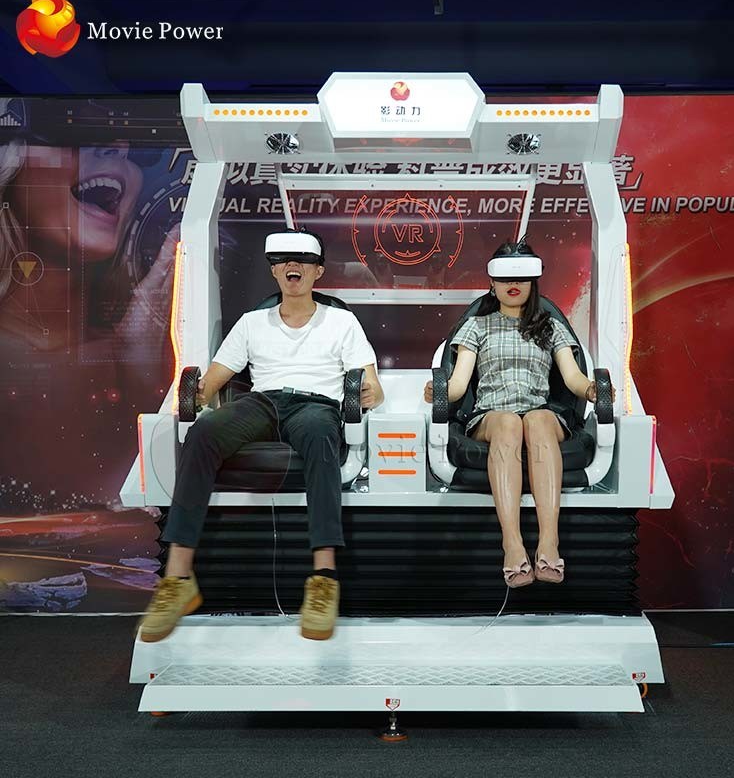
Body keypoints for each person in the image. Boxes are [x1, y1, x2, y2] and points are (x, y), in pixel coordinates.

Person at [139, 228, 384, 642]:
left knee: (322, 437)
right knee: (203, 432)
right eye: (284, 260)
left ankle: (324, 578)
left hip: (317, 405)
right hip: (263, 402)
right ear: (274, 271)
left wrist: (366, 393)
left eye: (303, 261)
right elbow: (213, 384)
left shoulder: (342, 322)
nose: (293, 266)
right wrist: (194, 394)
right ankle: (178, 580)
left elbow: (373, 386)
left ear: (318, 271)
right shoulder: (253, 323)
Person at [423, 240, 614, 587]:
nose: (514, 284)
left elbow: (572, 378)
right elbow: (458, 384)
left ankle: (549, 542)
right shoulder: (476, 326)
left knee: (536, 419)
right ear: (492, 282)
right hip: (492, 416)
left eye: (522, 277)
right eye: (506, 277)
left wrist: (591, 390)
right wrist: (439, 391)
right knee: (510, 422)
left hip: (541, 413)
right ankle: (512, 544)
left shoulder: (550, 326)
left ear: (533, 281)